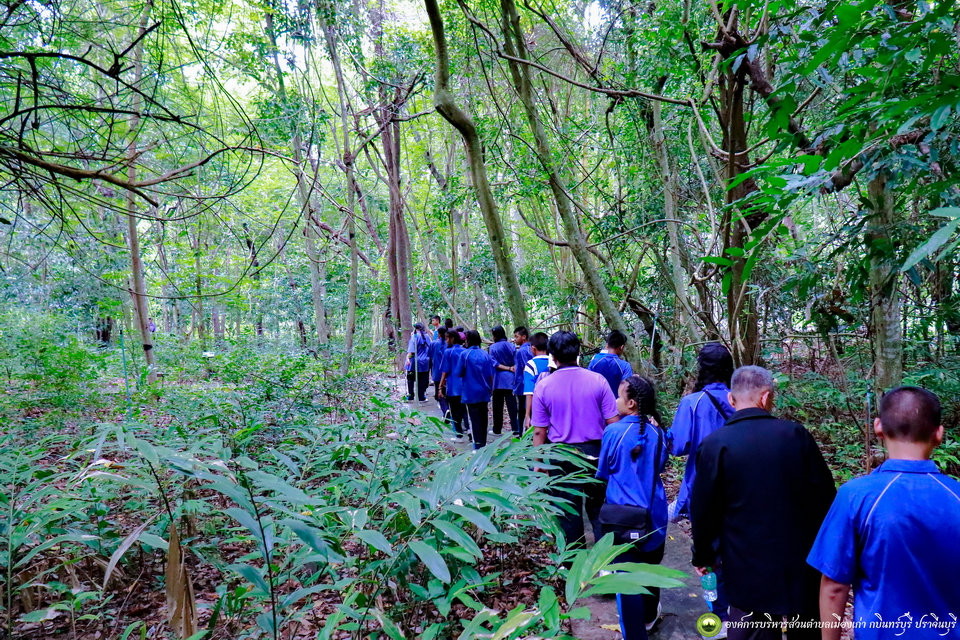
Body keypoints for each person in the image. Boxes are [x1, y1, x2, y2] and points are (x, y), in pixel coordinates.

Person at [690, 366, 835, 640]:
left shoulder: (715, 445)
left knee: (753, 628)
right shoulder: (796, 435)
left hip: (745, 564)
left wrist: (704, 555)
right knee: (805, 627)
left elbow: (703, 510)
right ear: (766, 397)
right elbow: (825, 498)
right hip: (800, 562)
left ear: (731, 399)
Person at [807, 386, 960, 640]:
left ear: (878, 427)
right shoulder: (955, 495)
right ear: (939, 434)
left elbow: (834, 586)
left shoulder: (856, 496)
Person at [597, 375, 670, 639]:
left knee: (626, 579)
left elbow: (604, 470)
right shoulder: (659, 433)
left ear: (630, 403)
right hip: (654, 515)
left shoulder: (614, 432)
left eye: (619, 396)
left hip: (622, 518)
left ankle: (635, 634)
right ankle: (649, 617)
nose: (615, 400)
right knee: (651, 568)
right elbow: (660, 465)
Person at [531, 331, 619, 547]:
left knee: (567, 512)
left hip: (561, 456)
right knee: (598, 509)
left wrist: (538, 462)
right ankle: (604, 560)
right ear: (578, 352)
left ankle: (573, 562)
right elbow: (614, 423)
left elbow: (539, 431)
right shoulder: (598, 381)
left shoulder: (543, 386)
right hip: (596, 454)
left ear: (552, 356)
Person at [670, 343, 735, 522]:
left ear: (701, 369)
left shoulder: (692, 402)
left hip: (701, 486)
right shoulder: (739, 400)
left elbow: (677, 447)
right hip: (736, 484)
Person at [458, 329, 495, 449]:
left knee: (474, 420)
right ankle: (483, 442)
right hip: (484, 391)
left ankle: (478, 446)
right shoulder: (485, 354)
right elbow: (491, 375)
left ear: (468, 340)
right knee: (483, 418)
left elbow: (459, 372)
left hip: (470, 392)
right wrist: (490, 389)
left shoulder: (465, 355)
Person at [438, 329, 469, 442]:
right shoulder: (465, 351)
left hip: (453, 386)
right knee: (465, 409)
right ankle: (469, 430)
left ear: (452, 338)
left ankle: (459, 435)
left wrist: (440, 386)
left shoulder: (448, 352)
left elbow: (445, 371)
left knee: (455, 412)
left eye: (447, 338)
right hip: (464, 386)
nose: (446, 341)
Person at [488, 325, 519, 437]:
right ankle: (516, 429)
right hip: (511, 379)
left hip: (498, 380)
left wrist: (506, 368)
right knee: (512, 406)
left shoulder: (492, 347)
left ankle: (497, 429)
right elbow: (516, 362)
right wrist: (511, 368)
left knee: (497, 406)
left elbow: (494, 363)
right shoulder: (512, 346)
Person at [588, 330, 634, 394]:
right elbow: (627, 390)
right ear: (622, 347)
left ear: (607, 345)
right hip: (616, 400)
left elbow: (588, 384)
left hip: (596, 399)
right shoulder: (625, 366)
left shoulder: (594, 362)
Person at [522, 332, 551, 430]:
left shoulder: (531, 365)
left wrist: (527, 415)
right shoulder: (555, 362)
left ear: (533, 348)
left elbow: (529, 392)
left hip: (537, 408)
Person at [512, 326, 534, 436]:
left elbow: (526, 368)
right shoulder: (532, 349)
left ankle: (521, 433)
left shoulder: (522, 351)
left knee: (522, 410)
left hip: (523, 385)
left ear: (524, 337)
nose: (514, 339)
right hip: (529, 384)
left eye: (516, 337)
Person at [405, 323, 431, 403]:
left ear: (416, 329)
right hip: (425, 362)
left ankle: (410, 396)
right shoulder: (427, 336)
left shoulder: (414, 337)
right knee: (422, 380)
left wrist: (407, 358)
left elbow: (411, 351)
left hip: (414, 362)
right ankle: (421, 397)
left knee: (410, 379)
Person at [430, 327, 449, 418]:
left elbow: (430, 355)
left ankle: (445, 410)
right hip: (449, 373)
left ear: (439, 334)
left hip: (437, 372)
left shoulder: (433, 344)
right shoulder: (449, 344)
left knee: (439, 391)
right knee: (447, 392)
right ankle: (448, 409)